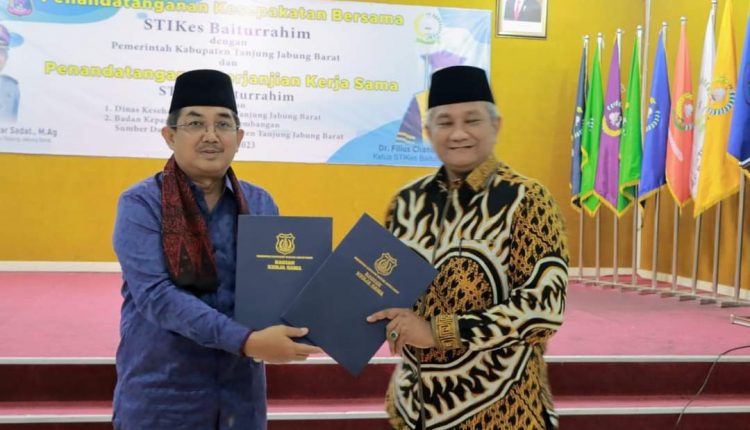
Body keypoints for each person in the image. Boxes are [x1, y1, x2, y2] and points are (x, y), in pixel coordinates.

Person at [112, 69, 320, 429]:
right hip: (161, 394)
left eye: (223, 124)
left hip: (240, 399)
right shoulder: (142, 204)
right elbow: (157, 296)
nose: (211, 135)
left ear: (239, 138)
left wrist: (338, 314)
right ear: (169, 136)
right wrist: (247, 341)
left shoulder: (260, 204)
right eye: (195, 123)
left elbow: (277, 287)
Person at [368, 65, 568, 429]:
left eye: (472, 120)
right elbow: (382, 288)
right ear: (428, 131)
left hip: (504, 413)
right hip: (416, 411)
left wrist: (438, 331)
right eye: (445, 122)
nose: (458, 133)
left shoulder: (526, 200)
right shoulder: (407, 202)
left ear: (496, 125)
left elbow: (543, 310)